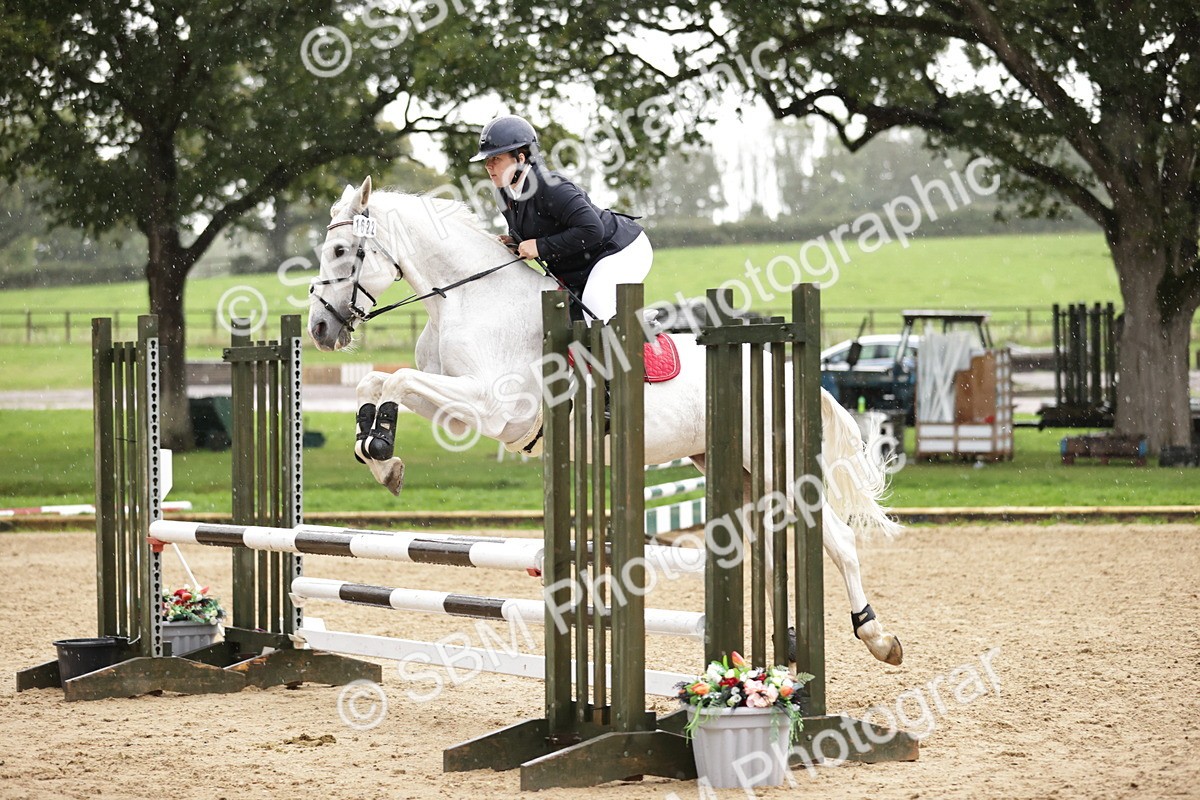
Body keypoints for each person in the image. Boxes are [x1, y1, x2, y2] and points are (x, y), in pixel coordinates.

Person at [470, 115, 652, 322]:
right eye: (487, 160)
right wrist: (515, 243)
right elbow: (543, 230)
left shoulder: (551, 186)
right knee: (551, 314)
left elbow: (592, 229)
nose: (488, 166)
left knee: (596, 307)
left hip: (619, 251)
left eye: (496, 159)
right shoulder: (503, 194)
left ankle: (638, 341)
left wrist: (540, 246)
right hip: (577, 265)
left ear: (520, 159)